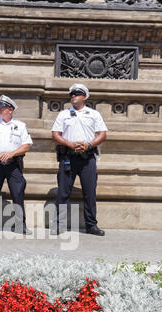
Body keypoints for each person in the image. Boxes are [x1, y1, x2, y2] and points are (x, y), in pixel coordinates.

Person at [51, 83, 107, 236]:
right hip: (68, 156)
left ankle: (91, 225)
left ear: (85, 97)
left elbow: (102, 134)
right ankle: (59, 224)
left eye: (77, 93)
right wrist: (69, 143)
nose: (73, 96)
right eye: (72, 94)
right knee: (63, 192)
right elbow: (56, 134)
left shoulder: (93, 114)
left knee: (89, 192)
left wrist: (89, 145)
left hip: (87, 158)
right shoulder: (63, 114)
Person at [0, 95, 33, 234]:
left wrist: (11, 154)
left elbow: (26, 145)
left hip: (13, 165)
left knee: (18, 194)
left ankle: (20, 225)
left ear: (10, 109)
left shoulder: (20, 125)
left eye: (2, 108)